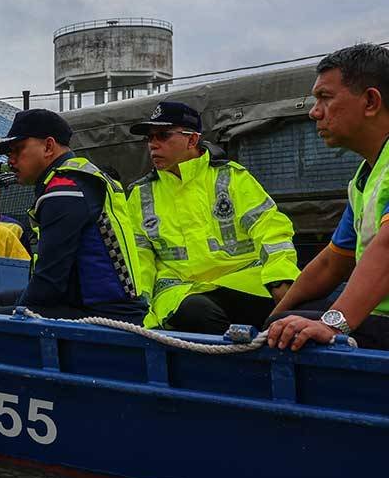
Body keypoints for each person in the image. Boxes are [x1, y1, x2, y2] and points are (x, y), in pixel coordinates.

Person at [126, 101, 300, 333]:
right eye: (149, 138)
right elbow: (139, 260)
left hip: (243, 283)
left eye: (163, 136)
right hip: (182, 292)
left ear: (192, 140)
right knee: (197, 313)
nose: (153, 145)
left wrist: (280, 279)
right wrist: (141, 312)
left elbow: (270, 229)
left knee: (297, 312)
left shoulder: (233, 178)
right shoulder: (141, 194)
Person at [268, 43, 389, 351]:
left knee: (302, 339)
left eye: (325, 97)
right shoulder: (367, 176)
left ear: (371, 101)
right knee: (282, 327)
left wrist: (330, 324)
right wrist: (271, 318)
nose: (314, 111)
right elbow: (332, 262)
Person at [0, 108, 147, 324]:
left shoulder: (65, 190)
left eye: (18, 150)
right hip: (101, 303)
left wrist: (19, 313)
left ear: (48, 146)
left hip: (106, 315)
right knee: (3, 300)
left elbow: (49, 283)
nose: (10, 160)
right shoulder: (81, 176)